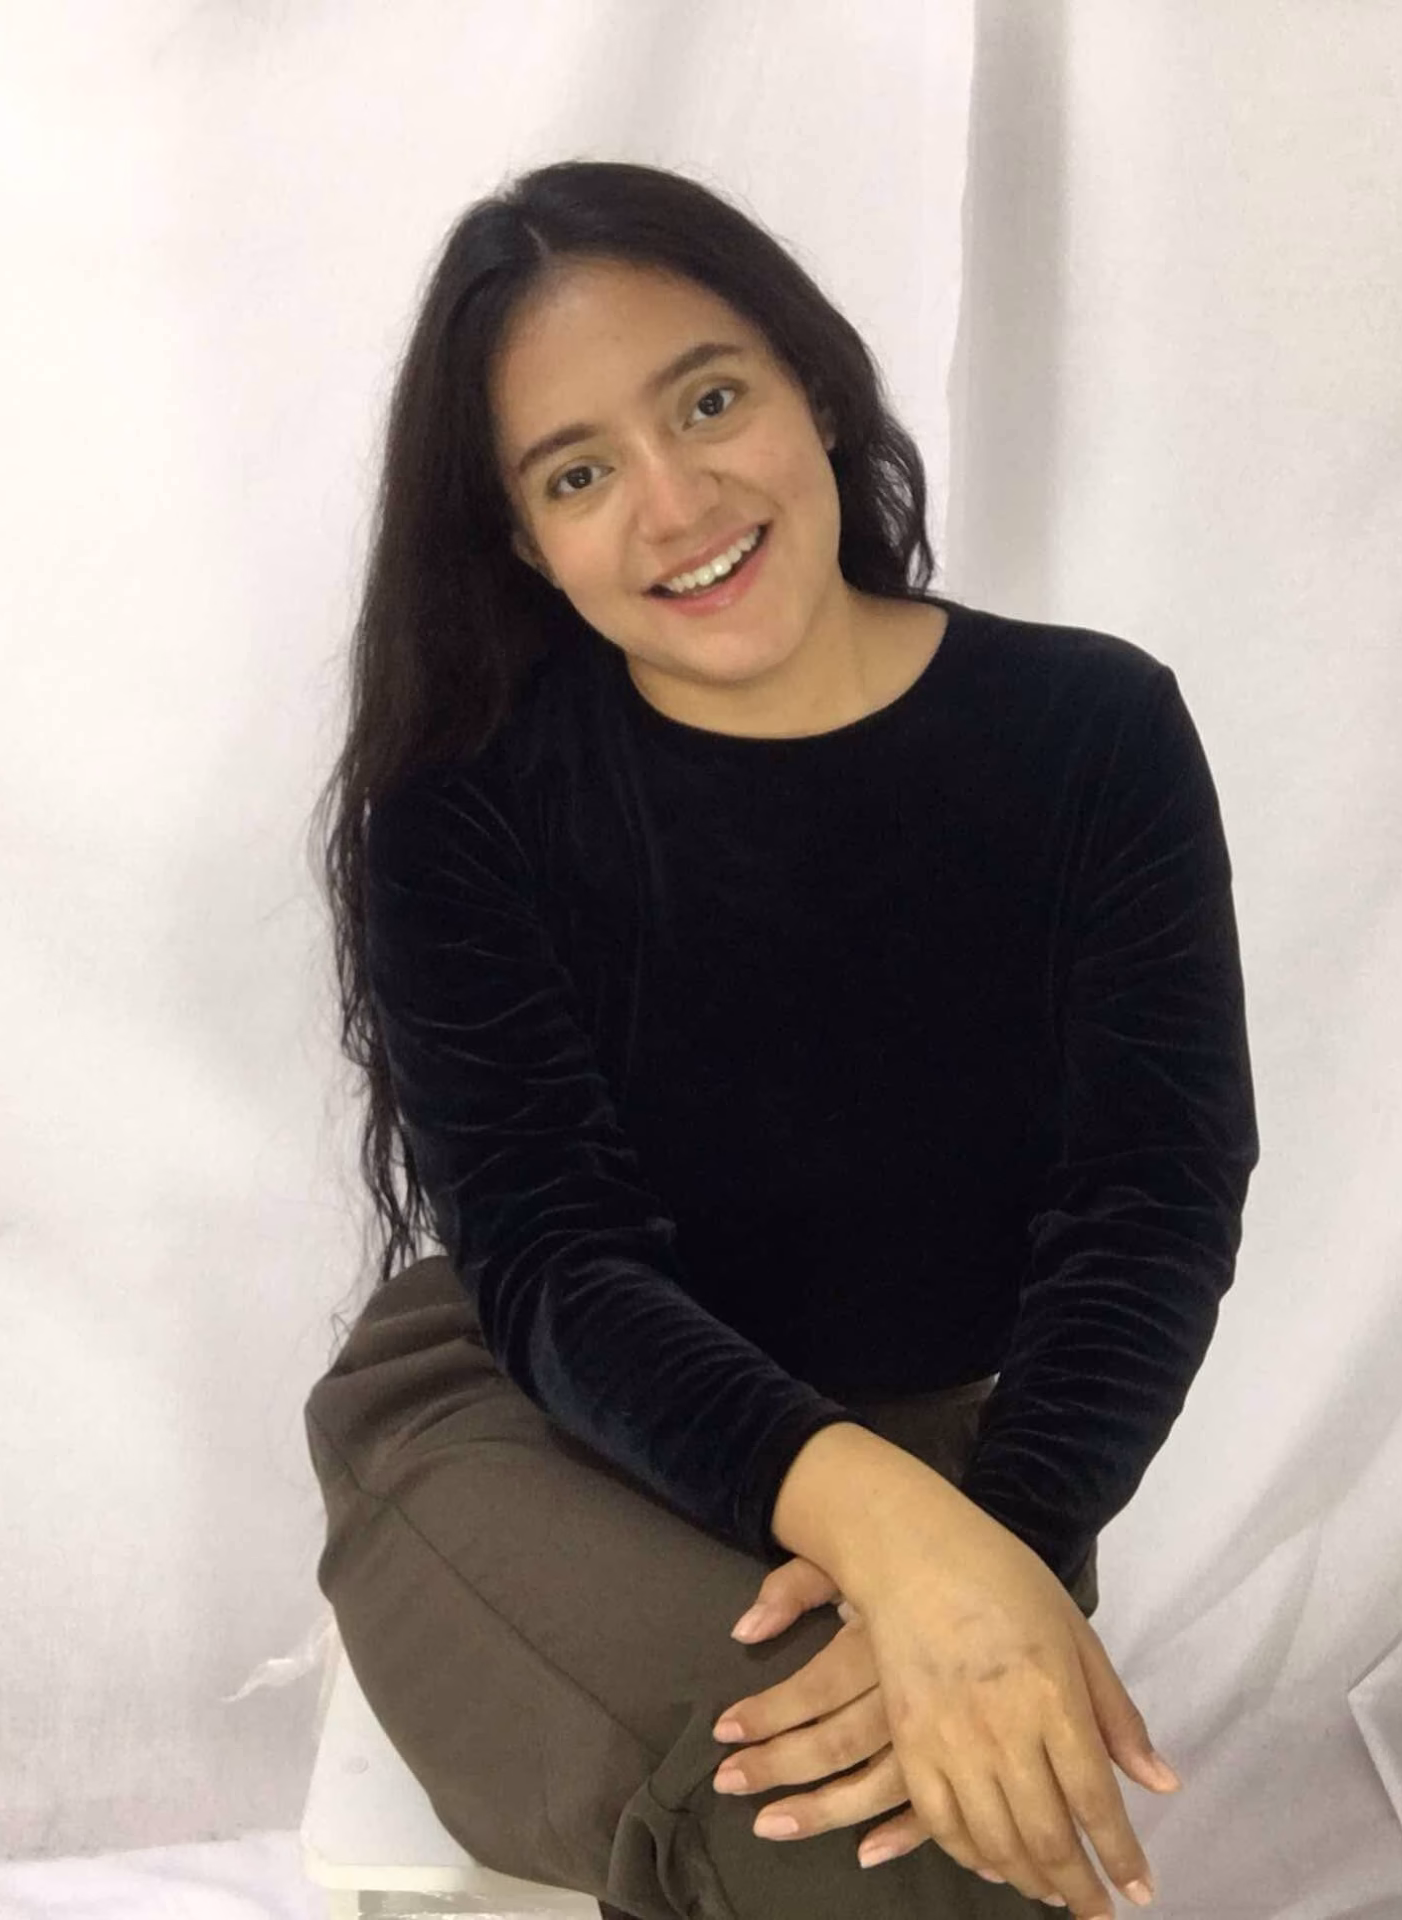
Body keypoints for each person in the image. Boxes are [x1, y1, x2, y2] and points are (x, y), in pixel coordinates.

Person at [304, 157, 1259, 1920]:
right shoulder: (468, 808)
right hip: (533, 1428)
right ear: (522, 543)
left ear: (813, 386)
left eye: (708, 402)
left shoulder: (1093, 734)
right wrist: (898, 1542)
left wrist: (996, 1546)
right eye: (578, 474)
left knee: (931, 1822)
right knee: (837, 1835)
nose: (675, 504)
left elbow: (1152, 1206)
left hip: (959, 1462)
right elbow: (558, 1262)